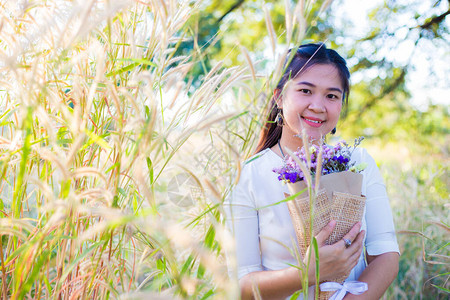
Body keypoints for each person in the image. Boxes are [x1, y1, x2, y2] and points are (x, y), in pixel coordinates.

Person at [224, 43, 400, 299]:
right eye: (305, 90)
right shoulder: (248, 176)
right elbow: (243, 284)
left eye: (332, 96)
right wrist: (308, 272)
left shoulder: (358, 163)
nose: (318, 106)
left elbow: (386, 255)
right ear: (279, 96)